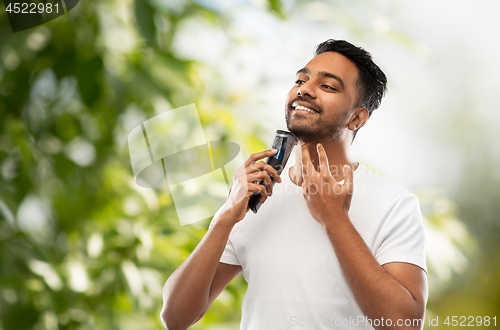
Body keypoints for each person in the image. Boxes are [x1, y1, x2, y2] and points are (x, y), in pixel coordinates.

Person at [161, 39, 428, 330]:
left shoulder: (394, 204)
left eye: (328, 86)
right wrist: (226, 216)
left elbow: (404, 324)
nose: (305, 89)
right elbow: (175, 318)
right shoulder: (253, 195)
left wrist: (334, 218)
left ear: (356, 117)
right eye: (301, 80)